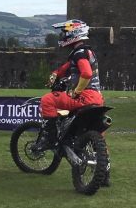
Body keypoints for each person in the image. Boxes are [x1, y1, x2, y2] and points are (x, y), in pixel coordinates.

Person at [33, 19, 104, 152]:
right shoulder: (86, 52)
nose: (63, 36)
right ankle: (102, 163)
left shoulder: (79, 54)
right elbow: (66, 68)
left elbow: (87, 73)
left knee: (47, 100)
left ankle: (50, 138)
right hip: (97, 98)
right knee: (98, 135)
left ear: (74, 33)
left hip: (84, 96)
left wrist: (76, 91)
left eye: (65, 33)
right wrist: (55, 74)